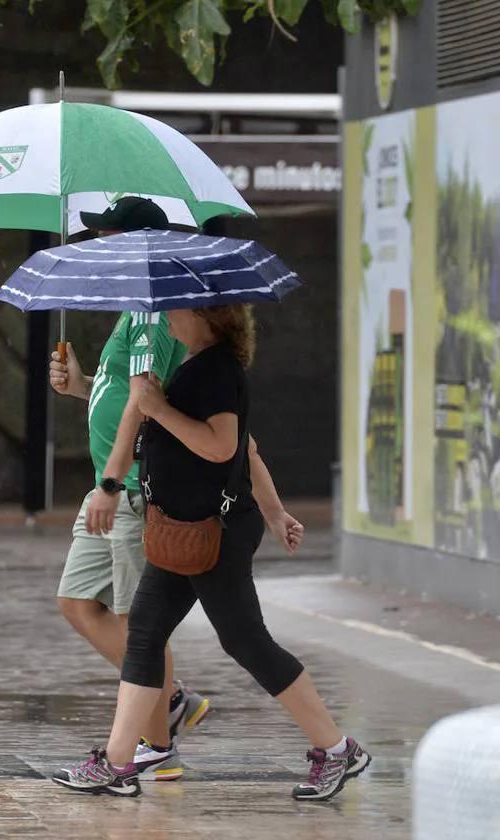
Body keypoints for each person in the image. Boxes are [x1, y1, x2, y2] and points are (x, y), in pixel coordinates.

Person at [58, 303, 370, 802]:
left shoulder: (216, 371)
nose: (170, 320)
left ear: (207, 318)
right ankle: (118, 763)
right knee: (144, 633)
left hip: (213, 532)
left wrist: (157, 409)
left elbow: (225, 446)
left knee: (245, 641)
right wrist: (119, 457)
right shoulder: (194, 365)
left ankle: (337, 748)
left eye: (179, 312)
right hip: (182, 528)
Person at [50, 198, 305, 786]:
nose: (97, 250)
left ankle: (155, 744)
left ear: (131, 243)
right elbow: (131, 397)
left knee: (143, 623)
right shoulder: (130, 313)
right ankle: (168, 702)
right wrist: (81, 385)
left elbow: (183, 416)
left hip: (140, 492)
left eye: (105, 238)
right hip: (107, 487)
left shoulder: (165, 319)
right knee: (80, 605)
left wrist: (269, 507)